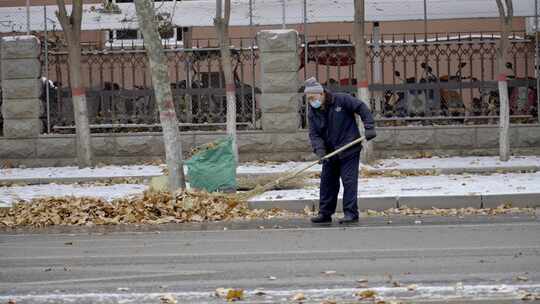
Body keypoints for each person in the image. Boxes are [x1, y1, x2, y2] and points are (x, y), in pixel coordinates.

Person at [305, 77, 376, 224]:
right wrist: (320, 151)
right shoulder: (313, 112)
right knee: (327, 183)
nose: (312, 101)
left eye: (313, 97)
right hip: (331, 152)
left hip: (349, 148)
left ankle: (351, 213)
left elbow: (361, 107)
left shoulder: (341, 100)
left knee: (349, 182)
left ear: (322, 94)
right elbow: (314, 134)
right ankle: (325, 213)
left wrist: (369, 127)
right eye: (309, 98)